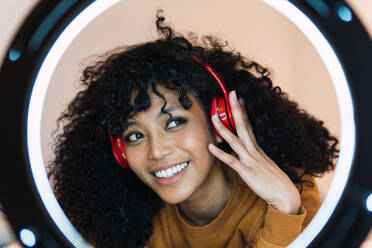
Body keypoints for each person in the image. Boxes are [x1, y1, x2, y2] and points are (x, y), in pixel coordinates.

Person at [49, 11, 338, 248]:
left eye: (174, 122)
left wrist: (284, 210)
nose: (157, 150)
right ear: (120, 152)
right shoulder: (128, 225)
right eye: (134, 135)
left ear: (219, 121)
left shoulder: (291, 191)